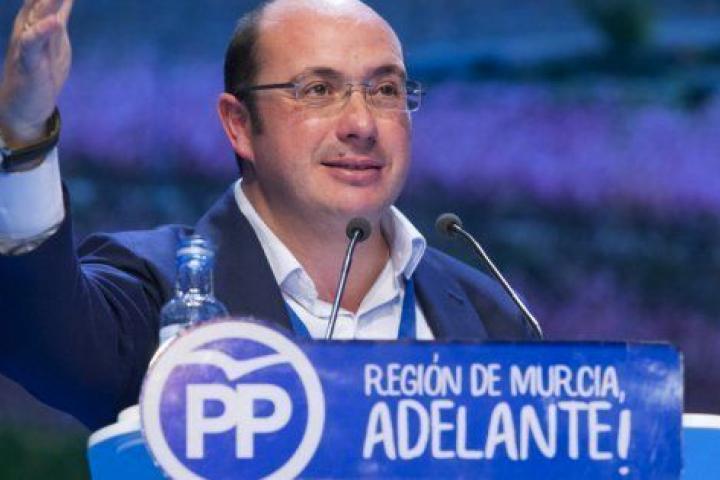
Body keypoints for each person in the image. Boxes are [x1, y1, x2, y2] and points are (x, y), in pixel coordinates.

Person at [0, 0, 536, 430]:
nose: (362, 124)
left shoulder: (493, 318)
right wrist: (24, 134)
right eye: (319, 90)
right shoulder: (158, 288)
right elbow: (45, 340)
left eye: (385, 90)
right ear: (239, 124)